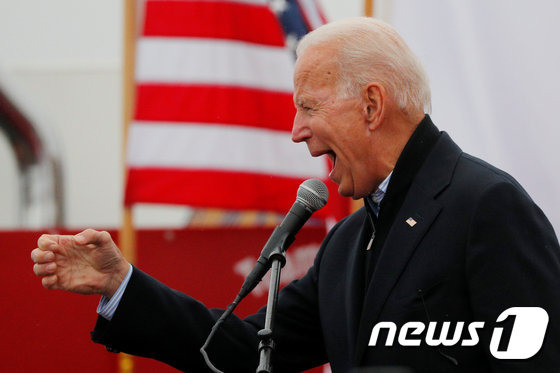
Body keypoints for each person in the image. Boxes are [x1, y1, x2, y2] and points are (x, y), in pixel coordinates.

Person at [31, 17, 560, 372]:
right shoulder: (349, 242)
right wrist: (122, 284)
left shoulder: (486, 206)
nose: (296, 131)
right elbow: (239, 350)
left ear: (372, 105)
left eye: (309, 107)